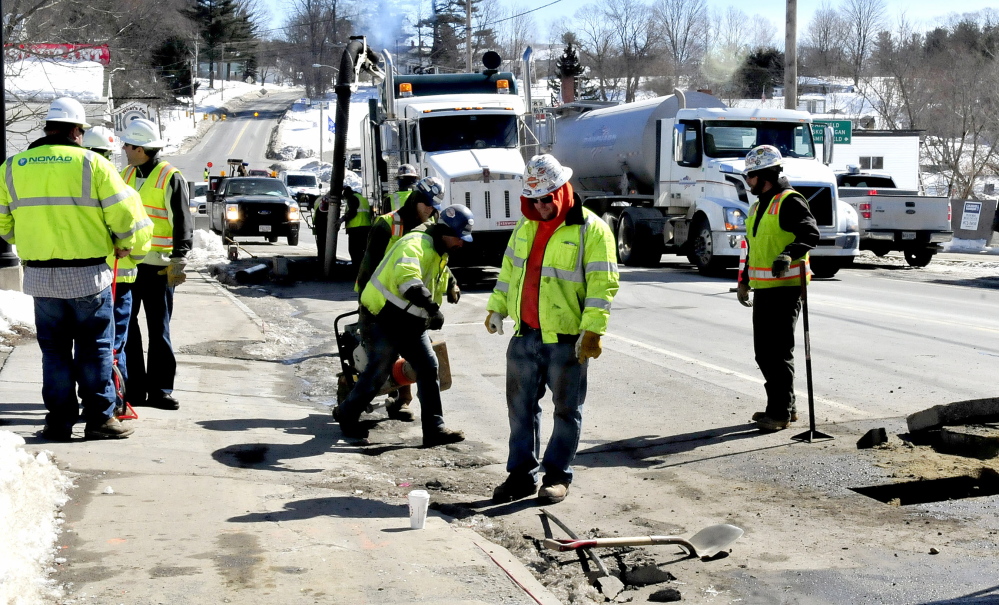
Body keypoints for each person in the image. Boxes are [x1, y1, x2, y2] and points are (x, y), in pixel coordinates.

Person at [0, 97, 150, 440]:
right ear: (77, 131)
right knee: (96, 346)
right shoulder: (93, 165)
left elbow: (4, 224)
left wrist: (28, 237)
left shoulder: (12, 166)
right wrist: (129, 246)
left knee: (53, 352)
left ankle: (58, 421)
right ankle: (99, 419)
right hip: (88, 275)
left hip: (40, 276)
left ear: (48, 128)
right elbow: (124, 215)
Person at [485, 154, 619, 505]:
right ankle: (520, 476)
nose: (542, 207)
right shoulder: (524, 228)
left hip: (566, 342)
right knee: (520, 410)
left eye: (547, 199)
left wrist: (592, 331)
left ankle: (557, 476)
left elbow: (602, 286)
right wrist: (497, 308)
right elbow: (508, 274)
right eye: (534, 200)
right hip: (525, 335)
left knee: (566, 410)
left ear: (562, 191)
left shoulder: (592, 230)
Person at [332, 204, 475, 447]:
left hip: (408, 321)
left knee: (428, 368)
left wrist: (450, 286)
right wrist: (432, 309)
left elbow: (435, 275)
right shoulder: (416, 244)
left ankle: (434, 429)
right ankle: (347, 413)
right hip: (381, 316)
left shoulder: (439, 250)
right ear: (443, 231)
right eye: (458, 238)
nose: (461, 244)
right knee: (380, 369)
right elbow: (408, 282)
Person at [353, 176, 453, 422]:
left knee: (424, 362)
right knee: (384, 362)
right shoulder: (387, 226)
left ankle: (412, 408)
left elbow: (435, 260)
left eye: (433, 207)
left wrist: (451, 282)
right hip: (384, 308)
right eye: (426, 205)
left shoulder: (430, 225)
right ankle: (377, 404)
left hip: (413, 306)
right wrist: (369, 311)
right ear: (416, 200)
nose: (430, 211)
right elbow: (369, 269)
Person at [736, 145, 820, 432]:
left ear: (764, 175)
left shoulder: (789, 201)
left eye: (750, 176)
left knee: (776, 352)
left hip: (786, 288)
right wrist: (744, 280)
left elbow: (810, 233)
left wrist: (789, 254)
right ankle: (785, 407)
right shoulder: (759, 205)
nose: (747, 181)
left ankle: (780, 413)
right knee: (764, 352)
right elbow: (754, 247)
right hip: (765, 288)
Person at [119, 118, 193, 411]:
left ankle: (161, 390)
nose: (124, 147)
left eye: (128, 144)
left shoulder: (169, 176)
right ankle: (135, 389)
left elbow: (182, 221)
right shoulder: (124, 174)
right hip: (129, 265)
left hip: (159, 267)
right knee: (129, 330)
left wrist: (180, 258)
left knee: (158, 329)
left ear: (141, 149)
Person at [83, 127, 151, 413]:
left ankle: (90, 399)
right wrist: (128, 251)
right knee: (113, 346)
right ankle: (116, 402)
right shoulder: (124, 189)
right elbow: (142, 238)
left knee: (87, 345)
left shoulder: (74, 192)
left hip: (83, 278)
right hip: (119, 281)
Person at [336, 171, 372, 276]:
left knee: (354, 251)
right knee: (363, 251)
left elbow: (353, 212)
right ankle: (364, 270)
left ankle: (357, 272)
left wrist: (341, 219)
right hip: (365, 228)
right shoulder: (361, 198)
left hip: (356, 229)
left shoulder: (352, 198)